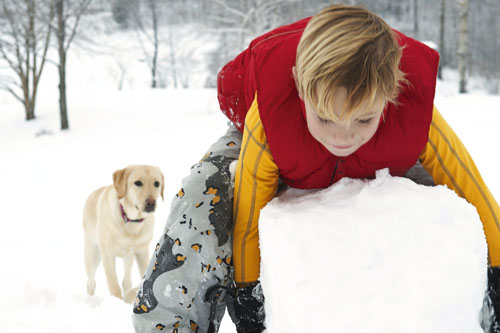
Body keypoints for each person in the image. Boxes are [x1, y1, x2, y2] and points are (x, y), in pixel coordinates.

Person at [132, 4, 500, 333]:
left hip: (381, 147)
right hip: (281, 136)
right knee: (207, 188)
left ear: (392, 94)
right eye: (327, 119)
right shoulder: (272, 115)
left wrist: (498, 272)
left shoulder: (412, 115)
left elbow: (472, 190)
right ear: (299, 87)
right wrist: (247, 288)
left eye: (362, 120)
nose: (343, 136)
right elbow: (247, 213)